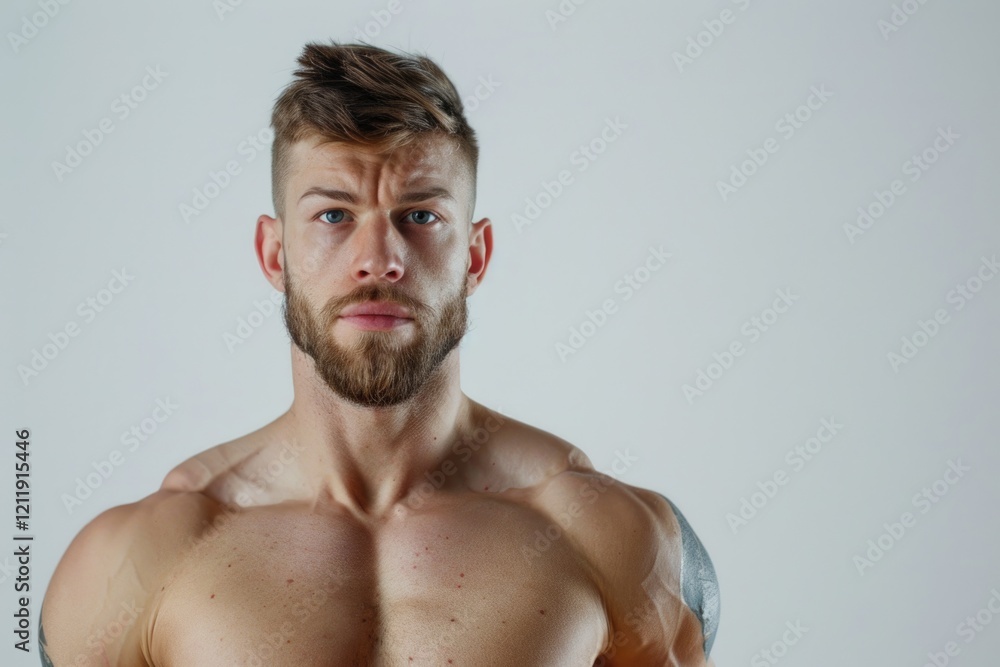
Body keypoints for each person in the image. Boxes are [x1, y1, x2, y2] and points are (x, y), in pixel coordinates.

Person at [39, 41, 719, 666]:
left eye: (420, 215)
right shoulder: (144, 557)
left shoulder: (605, 536)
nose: (379, 260)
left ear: (475, 255)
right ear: (275, 254)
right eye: (334, 216)